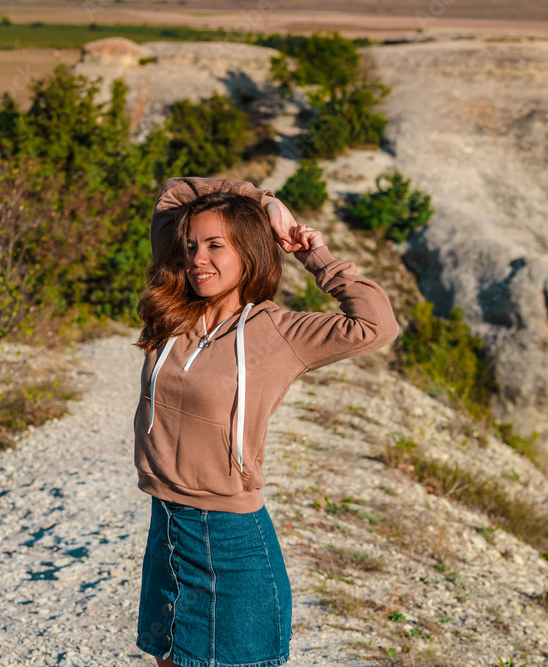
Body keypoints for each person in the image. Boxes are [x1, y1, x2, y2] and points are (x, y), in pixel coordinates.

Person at [131, 176, 400, 667]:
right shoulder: (175, 310)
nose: (197, 258)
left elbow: (377, 325)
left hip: (231, 542)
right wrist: (261, 198)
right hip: (166, 527)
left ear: (249, 252)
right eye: (191, 246)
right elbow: (175, 194)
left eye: (216, 246)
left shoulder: (279, 331)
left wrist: (306, 248)